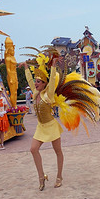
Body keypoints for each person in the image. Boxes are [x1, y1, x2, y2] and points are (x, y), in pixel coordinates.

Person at [30, 57, 64, 191]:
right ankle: (41, 177)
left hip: (51, 126)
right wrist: (26, 68)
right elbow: (29, 80)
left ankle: (59, 176)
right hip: (41, 127)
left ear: (44, 84)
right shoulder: (34, 93)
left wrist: (54, 65)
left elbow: (53, 80)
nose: (35, 83)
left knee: (58, 151)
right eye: (35, 81)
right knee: (33, 149)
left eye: (38, 82)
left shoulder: (47, 95)